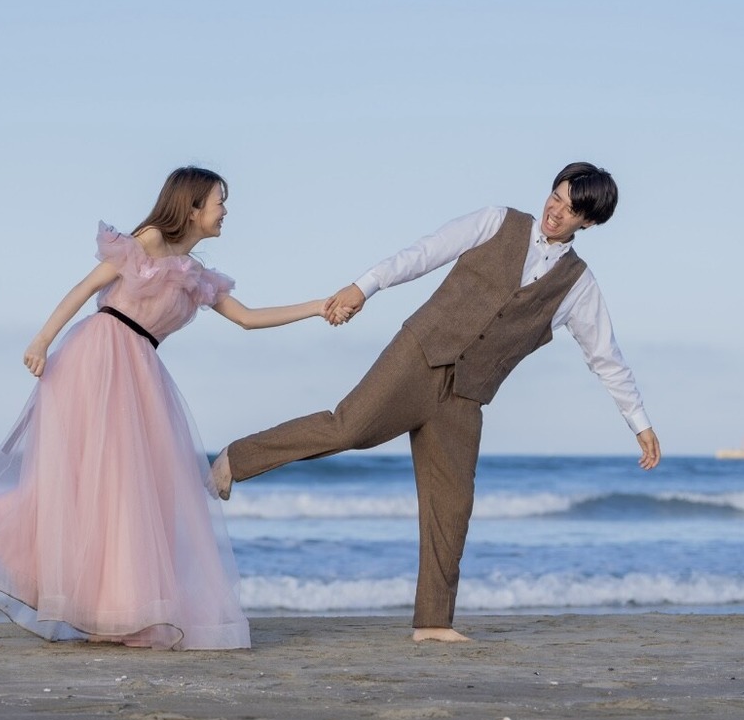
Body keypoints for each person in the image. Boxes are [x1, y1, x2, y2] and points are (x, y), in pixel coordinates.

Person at [211, 162, 662, 643]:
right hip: (419, 355)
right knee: (348, 428)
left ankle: (432, 623)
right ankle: (236, 459)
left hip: (467, 395)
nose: (556, 211)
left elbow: (605, 357)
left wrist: (639, 422)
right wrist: (362, 288)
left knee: (452, 505)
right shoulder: (496, 221)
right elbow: (422, 254)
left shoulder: (578, 285)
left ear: (588, 223)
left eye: (571, 209)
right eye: (556, 196)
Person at [0, 166, 345, 650]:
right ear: (191, 208)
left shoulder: (197, 276)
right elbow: (83, 290)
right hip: (98, 359)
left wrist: (317, 306)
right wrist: (42, 340)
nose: (224, 211)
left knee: (123, 491)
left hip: (140, 369)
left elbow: (248, 319)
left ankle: (109, 609)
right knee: (100, 483)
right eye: (218, 202)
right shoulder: (143, 242)